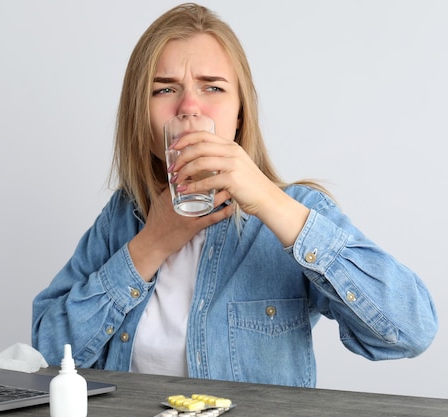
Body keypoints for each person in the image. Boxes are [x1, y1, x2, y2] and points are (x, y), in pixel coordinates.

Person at [32, 3, 437, 387]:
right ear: (140, 113)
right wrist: (151, 244)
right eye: (164, 90)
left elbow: (410, 332)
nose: (189, 108)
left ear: (240, 111)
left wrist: (268, 199)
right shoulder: (122, 217)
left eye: (212, 88)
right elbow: (44, 356)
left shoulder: (296, 210)